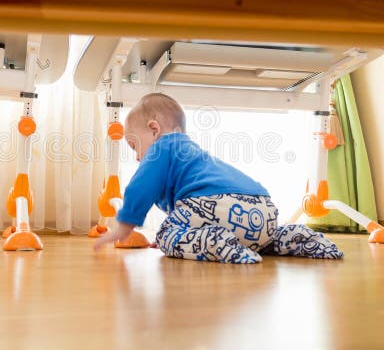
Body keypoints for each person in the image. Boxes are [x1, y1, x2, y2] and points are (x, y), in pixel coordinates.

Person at [93, 93, 344, 264]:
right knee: (264, 240)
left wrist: (125, 225)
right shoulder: (191, 154)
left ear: (154, 129)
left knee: (166, 236)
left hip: (218, 207)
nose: (138, 157)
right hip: (263, 208)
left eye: (134, 145)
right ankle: (302, 238)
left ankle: (215, 242)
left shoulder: (163, 146)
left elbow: (140, 186)